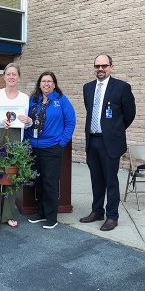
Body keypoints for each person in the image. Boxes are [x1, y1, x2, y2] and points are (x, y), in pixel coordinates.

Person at [80, 54, 136, 231]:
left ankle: (112, 216)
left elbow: (129, 114)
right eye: (97, 66)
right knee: (96, 179)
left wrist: (115, 130)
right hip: (93, 140)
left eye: (104, 66)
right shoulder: (87, 88)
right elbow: (90, 111)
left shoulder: (122, 87)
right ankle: (97, 211)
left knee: (111, 180)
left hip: (110, 142)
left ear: (111, 67)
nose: (100, 69)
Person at [0, 63, 32, 231]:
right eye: (8, 74)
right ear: (4, 76)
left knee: (12, 174)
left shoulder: (24, 98)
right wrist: (0, 121)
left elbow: (25, 122)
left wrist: (29, 121)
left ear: (18, 77)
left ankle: (8, 214)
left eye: (14, 74)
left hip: (15, 136)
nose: (11, 77)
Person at [26, 71, 76, 229]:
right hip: (34, 147)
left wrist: (61, 142)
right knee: (38, 181)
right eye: (43, 81)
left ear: (54, 84)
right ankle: (41, 213)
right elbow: (26, 120)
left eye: (49, 81)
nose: (46, 84)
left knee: (50, 183)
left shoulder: (61, 100)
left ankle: (51, 217)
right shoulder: (33, 100)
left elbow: (71, 122)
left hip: (52, 148)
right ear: (39, 84)